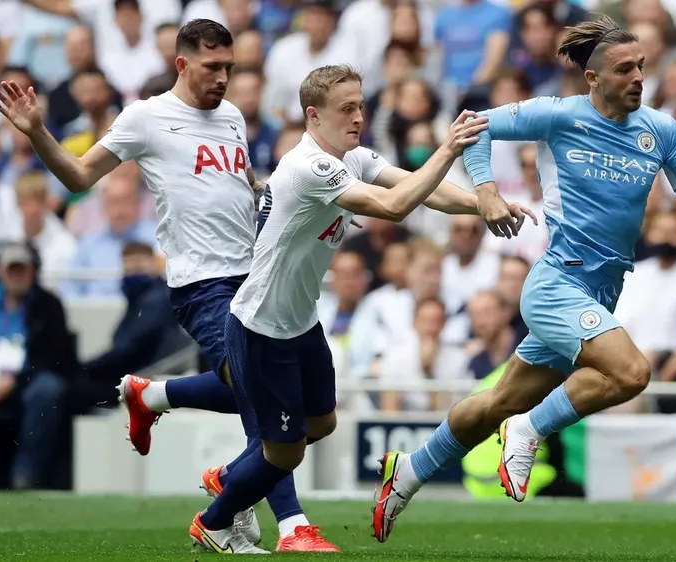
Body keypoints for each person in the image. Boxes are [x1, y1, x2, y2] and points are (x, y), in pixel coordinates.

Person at [370, 16, 676, 543]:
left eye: (641, 66)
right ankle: (528, 431)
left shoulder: (661, 130)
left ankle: (406, 474)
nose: (638, 77)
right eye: (624, 69)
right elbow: (472, 123)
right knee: (631, 372)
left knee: (497, 402)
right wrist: (486, 192)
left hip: (602, 290)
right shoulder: (559, 116)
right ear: (593, 78)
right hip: (556, 284)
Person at [0, 19, 325, 553]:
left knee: (283, 399)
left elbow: (233, 187)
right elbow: (79, 177)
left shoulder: (233, 117)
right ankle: (291, 524)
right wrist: (36, 131)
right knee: (262, 390)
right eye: (212, 67)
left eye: (229, 68)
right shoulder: (147, 118)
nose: (222, 78)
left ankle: (157, 398)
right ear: (182, 63)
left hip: (255, 276)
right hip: (203, 285)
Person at [187, 64, 527, 553]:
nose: (358, 117)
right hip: (261, 327)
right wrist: (449, 147)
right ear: (313, 115)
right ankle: (215, 520)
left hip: (302, 323)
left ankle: (230, 476)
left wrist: (484, 204)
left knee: (322, 423)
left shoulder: (353, 157)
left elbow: (421, 187)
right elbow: (393, 206)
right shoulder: (310, 166)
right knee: (285, 452)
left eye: (361, 106)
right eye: (346, 109)